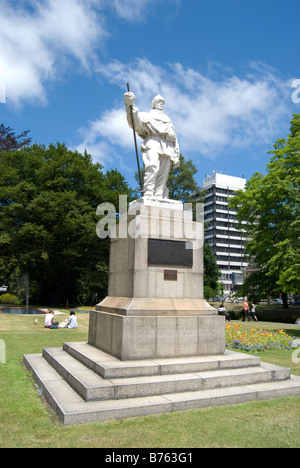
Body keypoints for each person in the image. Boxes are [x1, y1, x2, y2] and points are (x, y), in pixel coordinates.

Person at [124, 92, 180, 198]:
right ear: (154, 103)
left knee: (164, 172)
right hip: (152, 142)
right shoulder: (147, 116)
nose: (161, 104)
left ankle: (159, 193)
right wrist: (130, 105)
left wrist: (176, 154)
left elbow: (175, 138)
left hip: (167, 145)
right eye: (159, 102)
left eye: (163, 102)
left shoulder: (167, 120)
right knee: (152, 166)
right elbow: (135, 120)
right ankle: (149, 190)